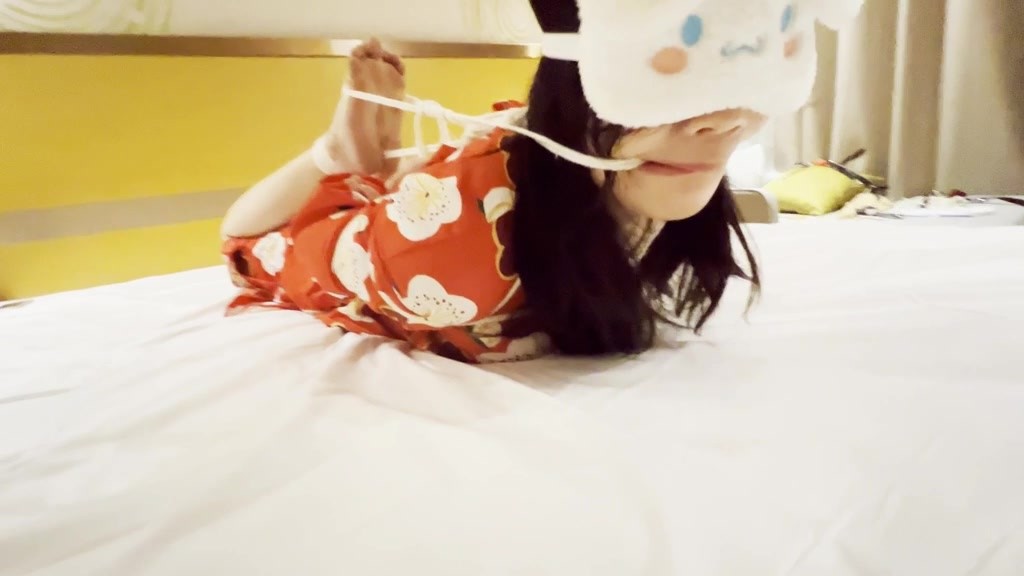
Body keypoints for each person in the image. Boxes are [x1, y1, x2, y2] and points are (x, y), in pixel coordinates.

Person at [220, 0, 852, 363]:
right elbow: (252, 253)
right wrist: (339, 166)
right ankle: (347, 155)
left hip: (508, 172)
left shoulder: (641, 177)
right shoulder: (450, 259)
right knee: (258, 248)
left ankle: (387, 166)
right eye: (672, 82)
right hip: (432, 229)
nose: (726, 119)